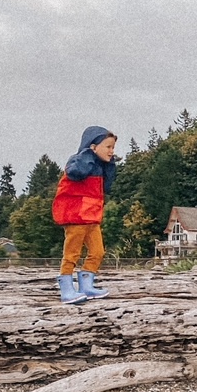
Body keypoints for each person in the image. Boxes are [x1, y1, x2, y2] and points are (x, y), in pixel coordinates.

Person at [51, 126, 117, 303]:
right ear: (93, 147)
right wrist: (87, 154)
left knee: (98, 251)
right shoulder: (79, 161)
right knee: (72, 252)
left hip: (92, 216)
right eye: (108, 147)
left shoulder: (100, 166)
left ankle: (87, 285)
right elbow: (76, 173)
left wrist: (109, 165)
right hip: (77, 216)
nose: (111, 151)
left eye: (113, 147)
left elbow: (107, 187)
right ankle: (66, 288)